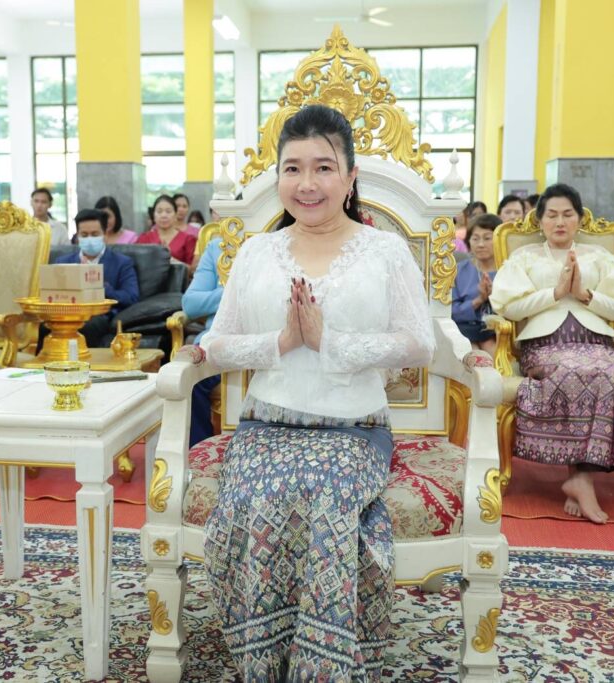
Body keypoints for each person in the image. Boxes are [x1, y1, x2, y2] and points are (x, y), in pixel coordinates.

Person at [197, 104, 435, 679]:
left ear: (351, 177)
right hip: (267, 423)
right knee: (254, 500)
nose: (307, 184)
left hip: (354, 428)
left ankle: (322, 667)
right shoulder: (256, 252)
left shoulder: (385, 252)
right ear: (279, 177)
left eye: (324, 168)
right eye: (293, 168)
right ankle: (264, 661)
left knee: (324, 494)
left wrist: (331, 342)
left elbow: (419, 344)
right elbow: (217, 343)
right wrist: (282, 341)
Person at [489, 183, 614, 525]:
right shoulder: (524, 257)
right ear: (540, 220)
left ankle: (581, 478)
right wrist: (555, 293)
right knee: (576, 371)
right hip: (546, 343)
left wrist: (586, 295)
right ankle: (581, 479)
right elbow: (510, 309)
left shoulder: (599, 256)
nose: (560, 222)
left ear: (579, 219)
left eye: (567, 215)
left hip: (595, 341)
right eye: (552, 215)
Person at [39, 209, 140, 350]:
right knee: (43, 326)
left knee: (87, 325)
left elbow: (131, 297)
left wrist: (99, 287)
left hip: (98, 315)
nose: (89, 239)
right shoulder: (63, 262)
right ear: (77, 236)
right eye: (84, 235)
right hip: (67, 313)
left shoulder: (122, 262)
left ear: (105, 234)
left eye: (95, 234)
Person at [182, 230, 224, 447]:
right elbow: (191, 303)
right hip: (215, 340)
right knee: (186, 375)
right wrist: (231, 291)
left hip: (277, 339)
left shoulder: (284, 239)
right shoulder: (218, 246)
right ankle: (198, 454)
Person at [452, 213, 499, 355]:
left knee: (490, 348)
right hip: (465, 331)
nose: (480, 244)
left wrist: (494, 296)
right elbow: (450, 310)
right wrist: (479, 300)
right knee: (472, 353)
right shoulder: (459, 270)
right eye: (475, 238)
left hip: (497, 332)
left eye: (487, 238)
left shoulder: (508, 269)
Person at [137, 194, 197, 270]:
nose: (163, 215)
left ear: (175, 215)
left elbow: (193, 270)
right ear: (154, 215)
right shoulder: (144, 238)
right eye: (159, 211)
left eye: (168, 211)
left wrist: (170, 260)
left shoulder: (188, 240)